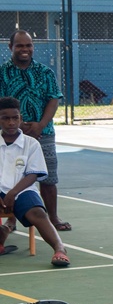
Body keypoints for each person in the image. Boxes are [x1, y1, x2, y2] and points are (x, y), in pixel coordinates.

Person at [1, 30, 70, 232]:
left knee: (48, 177)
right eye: (20, 45)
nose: (25, 49)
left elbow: (53, 99)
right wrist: (18, 125)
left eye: (28, 45)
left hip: (44, 132)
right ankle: (11, 220)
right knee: (10, 178)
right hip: (11, 134)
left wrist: (40, 125)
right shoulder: (2, 73)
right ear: (10, 47)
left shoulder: (45, 72)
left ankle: (53, 218)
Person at [0, 97, 71, 267]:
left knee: (38, 214)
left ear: (21, 119)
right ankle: (3, 234)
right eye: (5, 118)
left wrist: (12, 193)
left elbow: (32, 175)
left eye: (15, 118)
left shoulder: (31, 144)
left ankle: (59, 248)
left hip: (22, 190)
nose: (11, 122)